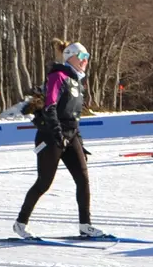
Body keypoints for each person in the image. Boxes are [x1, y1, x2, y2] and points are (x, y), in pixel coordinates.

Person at [15, 42, 109, 239]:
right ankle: (20, 223)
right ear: (70, 57)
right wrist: (57, 133)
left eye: (87, 56)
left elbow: (74, 116)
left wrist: (79, 143)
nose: (85, 61)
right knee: (44, 182)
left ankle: (85, 225)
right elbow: (50, 107)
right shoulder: (58, 76)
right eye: (82, 56)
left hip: (71, 135)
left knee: (83, 179)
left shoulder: (77, 82)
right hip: (51, 136)